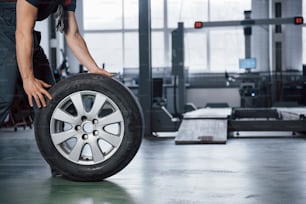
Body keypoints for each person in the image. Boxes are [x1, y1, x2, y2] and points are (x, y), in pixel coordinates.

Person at [0, 0, 112, 125]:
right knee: (3, 98)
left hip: (25, 34)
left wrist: (93, 68)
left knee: (49, 101)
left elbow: (72, 34)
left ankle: (53, 143)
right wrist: (28, 79)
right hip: (6, 31)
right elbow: (22, 34)